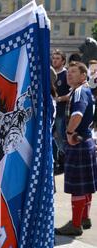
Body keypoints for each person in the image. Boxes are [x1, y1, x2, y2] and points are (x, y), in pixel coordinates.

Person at [55, 62, 97, 236]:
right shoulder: (81, 90)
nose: (69, 75)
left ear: (83, 76)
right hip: (85, 142)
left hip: (78, 142)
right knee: (86, 185)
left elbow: (77, 115)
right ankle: (84, 217)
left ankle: (75, 224)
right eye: (68, 72)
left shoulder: (79, 92)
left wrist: (70, 132)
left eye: (74, 72)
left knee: (77, 187)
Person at [51, 50, 71, 175]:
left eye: (57, 58)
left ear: (63, 61)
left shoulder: (66, 74)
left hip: (61, 112)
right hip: (52, 112)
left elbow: (71, 93)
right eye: (53, 58)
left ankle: (64, 163)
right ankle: (57, 161)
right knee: (53, 138)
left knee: (61, 138)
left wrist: (59, 99)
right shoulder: (50, 73)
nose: (55, 60)